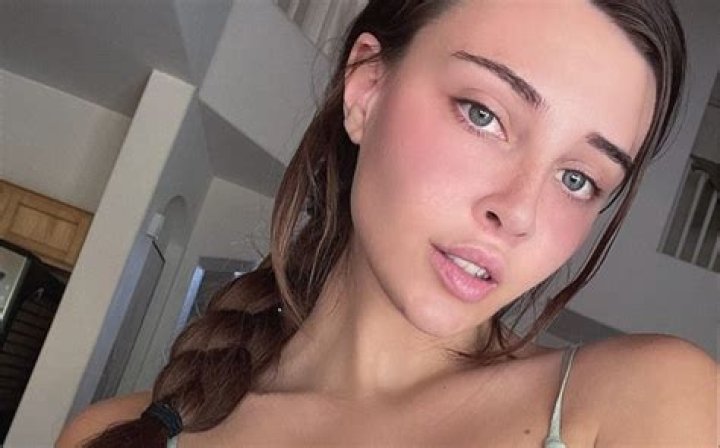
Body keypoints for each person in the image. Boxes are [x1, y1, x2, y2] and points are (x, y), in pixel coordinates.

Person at [57, 0, 715, 447]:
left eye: (578, 179)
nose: (517, 212)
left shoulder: (646, 403)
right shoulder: (114, 434)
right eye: (484, 115)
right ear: (367, 89)